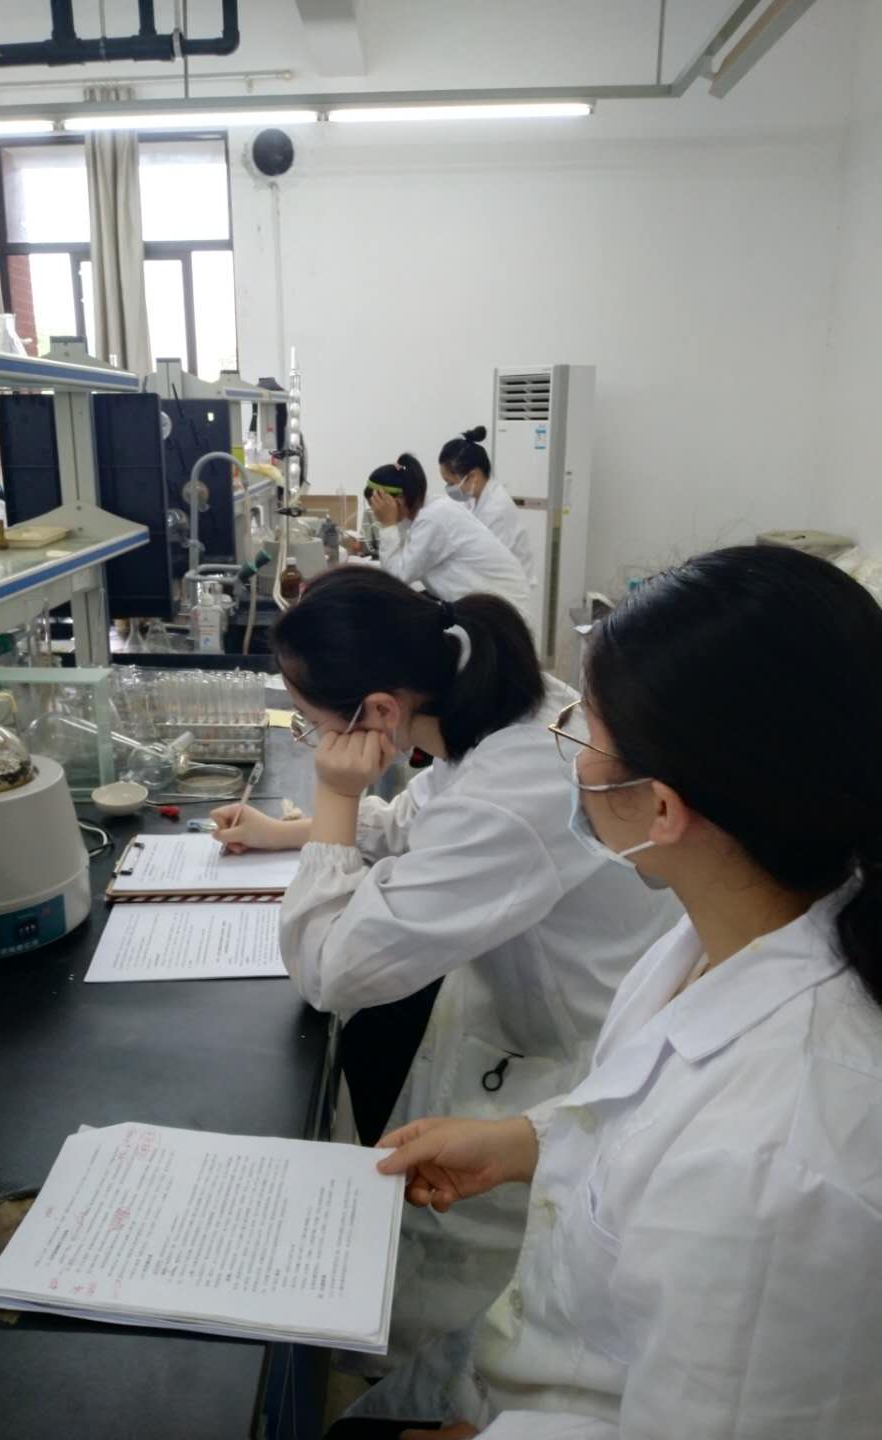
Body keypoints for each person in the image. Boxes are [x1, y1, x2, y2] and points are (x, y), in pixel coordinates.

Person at [342, 544, 882, 1439]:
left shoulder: (779, 1168)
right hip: (519, 1369)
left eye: (585, 730)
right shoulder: (733, 928)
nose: (570, 755)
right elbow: (658, 1106)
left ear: (663, 808)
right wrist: (527, 1140)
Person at [211, 567, 678, 1367]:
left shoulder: (514, 790)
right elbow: (417, 819)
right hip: (516, 1028)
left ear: (378, 713)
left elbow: (330, 972)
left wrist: (333, 796)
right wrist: (288, 831)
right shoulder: (499, 704)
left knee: (457, 1316)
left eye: (312, 728)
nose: (315, 743)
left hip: (569, 1062)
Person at [367, 454, 532, 617]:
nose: (377, 514)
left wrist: (387, 525)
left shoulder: (433, 518)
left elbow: (397, 577)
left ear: (399, 500)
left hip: (502, 613)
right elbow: (402, 557)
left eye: (378, 509)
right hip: (487, 604)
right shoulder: (425, 511)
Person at [439, 427, 536, 592]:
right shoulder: (472, 499)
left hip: (507, 592)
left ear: (473, 476)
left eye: (451, 483)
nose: (449, 488)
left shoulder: (496, 509)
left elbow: (484, 563)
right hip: (487, 585)